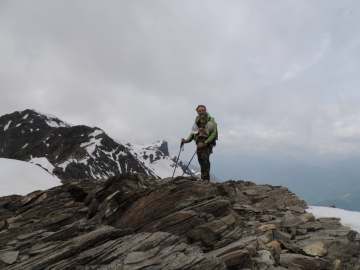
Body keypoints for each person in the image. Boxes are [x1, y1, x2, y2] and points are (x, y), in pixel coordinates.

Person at [181, 105, 217, 182]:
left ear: (205, 110)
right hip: (199, 144)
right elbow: (193, 133)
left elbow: (213, 133)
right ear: (197, 112)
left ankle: (205, 180)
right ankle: (204, 179)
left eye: (202, 110)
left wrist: (205, 142)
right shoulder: (197, 120)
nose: (201, 112)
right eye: (199, 111)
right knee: (201, 161)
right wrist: (186, 140)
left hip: (207, 144)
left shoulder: (211, 120)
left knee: (205, 161)